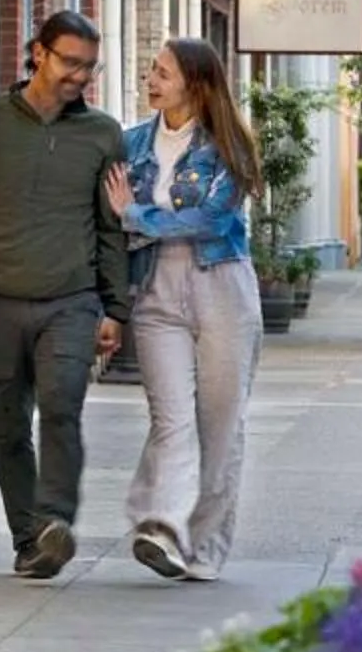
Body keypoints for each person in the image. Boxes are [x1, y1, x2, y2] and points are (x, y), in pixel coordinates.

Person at [0, 10, 131, 579]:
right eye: (70, 62)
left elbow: (110, 227)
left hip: (71, 298)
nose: (79, 77)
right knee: (10, 425)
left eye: (89, 67)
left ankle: (54, 521)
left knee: (61, 407)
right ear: (37, 53)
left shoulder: (102, 134)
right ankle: (29, 538)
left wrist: (116, 308)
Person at [103, 37, 263, 581]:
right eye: (151, 69)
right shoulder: (129, 145)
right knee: (170, 418)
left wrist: (136, 217)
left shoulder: (230, 146)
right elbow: (105, 214)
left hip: (220, 284)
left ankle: (206, 546)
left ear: (195, 84)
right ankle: (162, 530)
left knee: (220, 424)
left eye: (163, 73)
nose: (151, 79)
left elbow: (212, 221)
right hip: (154, 290)